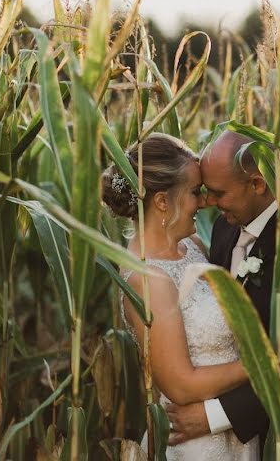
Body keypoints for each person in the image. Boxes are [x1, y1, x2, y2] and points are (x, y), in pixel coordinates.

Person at [102, 133, 259, 461]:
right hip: (194, 445)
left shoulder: (193, 249)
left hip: (234, 437)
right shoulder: (149, 279)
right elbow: (181, 385)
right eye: (194, 192)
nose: (203, 203)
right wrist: (263, 364)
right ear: (162, 202)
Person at [165, 130, 280, 452]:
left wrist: (211, 416)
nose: (208, 203)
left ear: (257, 184)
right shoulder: (225, 227)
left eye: (218, 193)